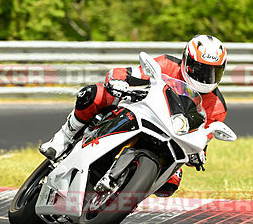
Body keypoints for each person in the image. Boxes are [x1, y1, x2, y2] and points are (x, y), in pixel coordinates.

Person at [39, 35, 228, 196]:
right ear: (186, 61)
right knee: (93, 94)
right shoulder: (166, 64)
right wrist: (118, 81)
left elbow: (203, 137)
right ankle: (63, 139)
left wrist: (199, 153)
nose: (205, 77)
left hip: (171, 137)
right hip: (142, 110)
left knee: (170, 184)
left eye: (213, 72)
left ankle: (125, 197)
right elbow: (125, 73)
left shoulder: (217, 106)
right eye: (200, 69)